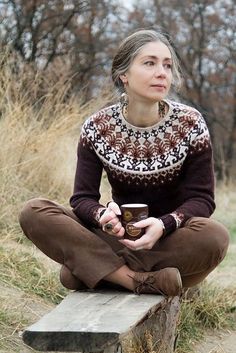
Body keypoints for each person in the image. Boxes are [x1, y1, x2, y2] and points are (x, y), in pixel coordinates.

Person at [19, 29, 229, 297]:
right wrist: (102, 216)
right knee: (34, 211)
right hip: (118, 236)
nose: (162, 72)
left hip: (169, 240)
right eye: (149, 63)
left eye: (167, 65)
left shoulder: (190, 123)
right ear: (124, 75)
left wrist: (164, 224)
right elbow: (83, 198)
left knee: (215, 236)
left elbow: (202, 200)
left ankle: (93, 269)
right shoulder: (97, 127)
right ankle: (133, 280)